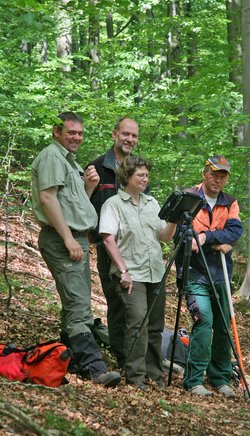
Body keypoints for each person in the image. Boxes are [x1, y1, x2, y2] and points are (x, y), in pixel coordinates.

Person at [31, 112, 121, 387]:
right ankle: (94, 368)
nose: (77, 137)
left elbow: (71, 203)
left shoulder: (69, 161)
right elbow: (47, 198)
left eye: (80, 133)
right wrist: (68, 238)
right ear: (57, 131)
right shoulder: (51, 156)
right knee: (79, 305)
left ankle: (66, 357)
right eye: (71, 132)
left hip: (76, 239)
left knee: (75, 302)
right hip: (62, 241)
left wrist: (88, 187)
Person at [99, 156, 177, 390]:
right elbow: (108, 239)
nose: (145, 179)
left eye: (146, 175)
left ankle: (154, 374)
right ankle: (135, 376)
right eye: (140, 175)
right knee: (137, 323)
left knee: (155, 326)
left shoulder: (152, 203)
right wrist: (123, 271)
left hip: (155, 272)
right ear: (127, 177)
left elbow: (163, 237)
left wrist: (173, 219)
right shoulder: (113, 204)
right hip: (131, 275)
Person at [180, 155, 243, 397]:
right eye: (214, 174)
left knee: (223, 325)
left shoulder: (230, 202)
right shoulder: (189, 197)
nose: (218, 179)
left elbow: (235, 230)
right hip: (195, 273)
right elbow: (184, 234)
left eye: (223, 175)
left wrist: (208, 237)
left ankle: (220, 378)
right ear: (205, 173)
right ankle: (194, 380)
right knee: (203, 322)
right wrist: (217, 238)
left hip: (221, 273)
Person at [88, 117, 142, 368]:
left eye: (134, 136)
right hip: (107, 246)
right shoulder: (97, 167)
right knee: (117, 302)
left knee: (138, 304)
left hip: (136, 248)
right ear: (114, 135)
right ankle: (123, 358)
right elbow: (84, 207)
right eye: (125, 134)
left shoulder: (138, 170)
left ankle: (136, 358)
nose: (130, 139)